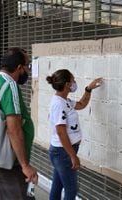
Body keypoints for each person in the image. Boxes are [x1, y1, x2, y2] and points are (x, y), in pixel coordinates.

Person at [0, 47, 38, 200]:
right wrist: (25, 165)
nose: (28, 70)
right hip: (9, 159)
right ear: (19, 67)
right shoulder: (9, 85)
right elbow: (14, 129)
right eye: (28, 66)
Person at [46, 69, 102, 200]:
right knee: (71, 189)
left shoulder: (65, 101)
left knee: (57, 185)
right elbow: (61, 131)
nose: (74, 82)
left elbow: (81, 104)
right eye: (73, 80)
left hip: (62, 152)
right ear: (67, 84)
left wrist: (88, 89)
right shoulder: (58, 104)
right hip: (63, 153)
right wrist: (72, 156)